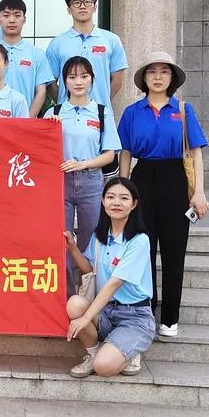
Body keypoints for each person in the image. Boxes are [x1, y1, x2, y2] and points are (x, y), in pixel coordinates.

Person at [119, 51, 209, 339]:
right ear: (144, 78)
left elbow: (196, 153)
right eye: (152, 71)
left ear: (172, 78)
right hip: (142, 178)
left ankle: (170, 317)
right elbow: (125, 153)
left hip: (175, 179)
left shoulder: (183, 110)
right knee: (142, 250)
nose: (158, 77)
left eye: (164, 71)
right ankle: (146, 311)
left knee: (174, 251)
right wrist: (123, 190)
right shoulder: (132, 112)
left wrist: (199, 192)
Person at [64, 176, 155, 378]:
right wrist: (72, 248)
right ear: (103, 201)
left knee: (104, 367)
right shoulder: (100, 236)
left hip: (134, 316)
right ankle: (94, 353)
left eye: (124, 198)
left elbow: (115, 283)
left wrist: (86, 318)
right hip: (106, 311)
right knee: (75, 304)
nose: (116, 202)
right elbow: (89, 269)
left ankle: (129, 350)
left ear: (134, 204)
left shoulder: (139, 241)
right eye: (111, 197)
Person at [50, 56, 122, 296]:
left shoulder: (101, 112)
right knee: (60, 239)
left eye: (84, 76)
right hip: (60, 182)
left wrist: (83, 164)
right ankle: (65, 297)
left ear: (92, 79)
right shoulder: (54, 112)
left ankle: (88, 295)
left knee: (91, 241)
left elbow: (110, 154)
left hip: (92, 181)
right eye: (72, 77)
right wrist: (48, 126)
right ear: (64, 82)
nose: (78, 82)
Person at [45, 0, 128, 108]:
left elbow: (117, 80)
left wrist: (102, 104)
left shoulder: (111, 40)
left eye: (87, 2)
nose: (82, 6)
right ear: (69, 10)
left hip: (100, 114)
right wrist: (64, 104)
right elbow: (50, 82)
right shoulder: (57, 43)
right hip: (66, 114)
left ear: (95, 7)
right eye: (76, 3)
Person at [0, 0, 52, 117]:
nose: (11, 20)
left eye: (17, 15)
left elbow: (41, 92)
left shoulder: (37, 54)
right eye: (6, 16)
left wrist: (25, 122)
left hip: (23, 122)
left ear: (24, 19)